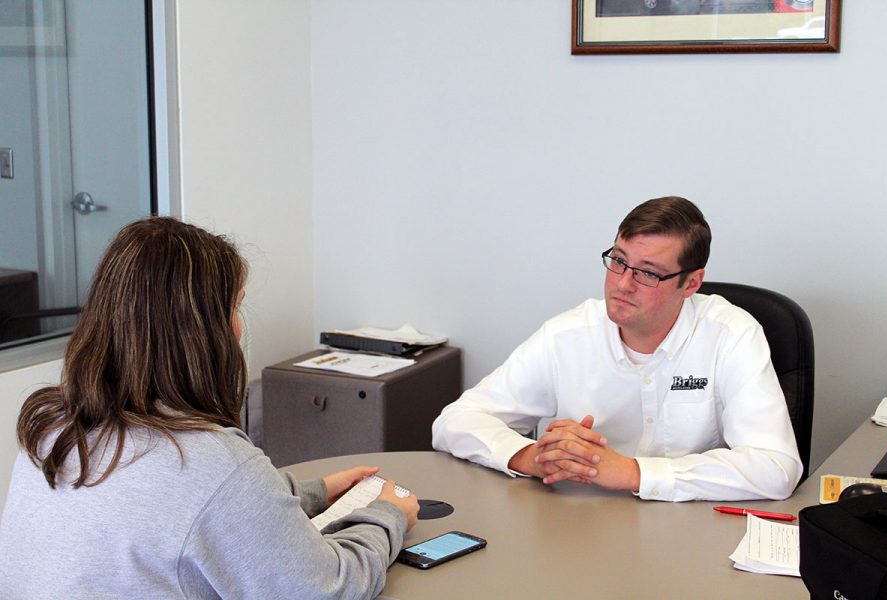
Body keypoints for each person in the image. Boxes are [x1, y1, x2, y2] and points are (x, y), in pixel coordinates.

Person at [0, 217, 418, 599]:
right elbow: (327, 590)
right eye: (235, 307)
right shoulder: (208, 459)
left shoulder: (51, 429)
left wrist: (310, 492)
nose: (239, 326)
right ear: (201, 331)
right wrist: (387, 515)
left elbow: (173, 511)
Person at [432, 196, 802, 502]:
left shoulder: (730, 334)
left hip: (691, 532)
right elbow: (454, 422)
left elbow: (776, 468)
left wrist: (631, 472)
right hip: (582, 533)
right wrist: (532, 457)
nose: (623, 284)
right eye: (619, 261)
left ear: (691, 284)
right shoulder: (568, 334)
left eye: (648, 272)